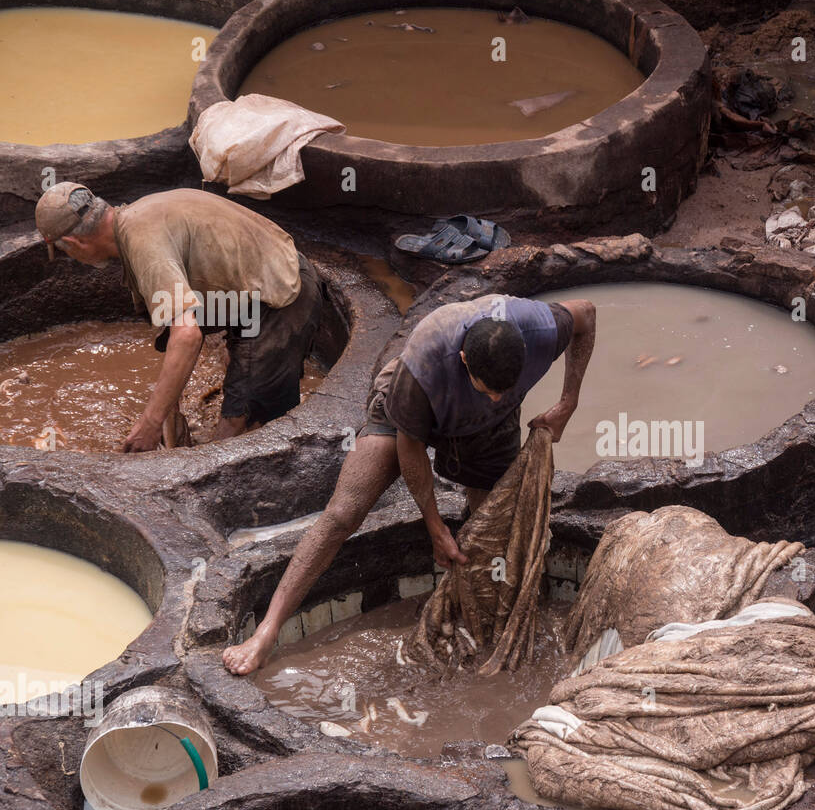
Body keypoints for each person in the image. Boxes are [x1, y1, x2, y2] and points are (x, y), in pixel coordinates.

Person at [223, 291, 596, 675]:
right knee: (342, 514)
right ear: (465, 361)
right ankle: (266, 632)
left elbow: (587, 312)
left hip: (487, 427)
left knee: (492, 529)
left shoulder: (540, 328)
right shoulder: (426, 359)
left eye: (507, 389)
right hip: (407, 413)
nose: (498, 396)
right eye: (488, 388)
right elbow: (411, 448)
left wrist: (568, 402)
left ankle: (476, 624)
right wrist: (434, 526)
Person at [34, 183, 322, 451]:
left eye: (64, 252)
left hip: (282, 296)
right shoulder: (138, 215)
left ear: (75, 243)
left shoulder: (144, 245)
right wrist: (168, 406)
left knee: (236, 433)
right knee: (239, 378)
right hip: (258, 285)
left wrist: (150, 423)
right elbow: (180, 325)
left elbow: (186, 335)